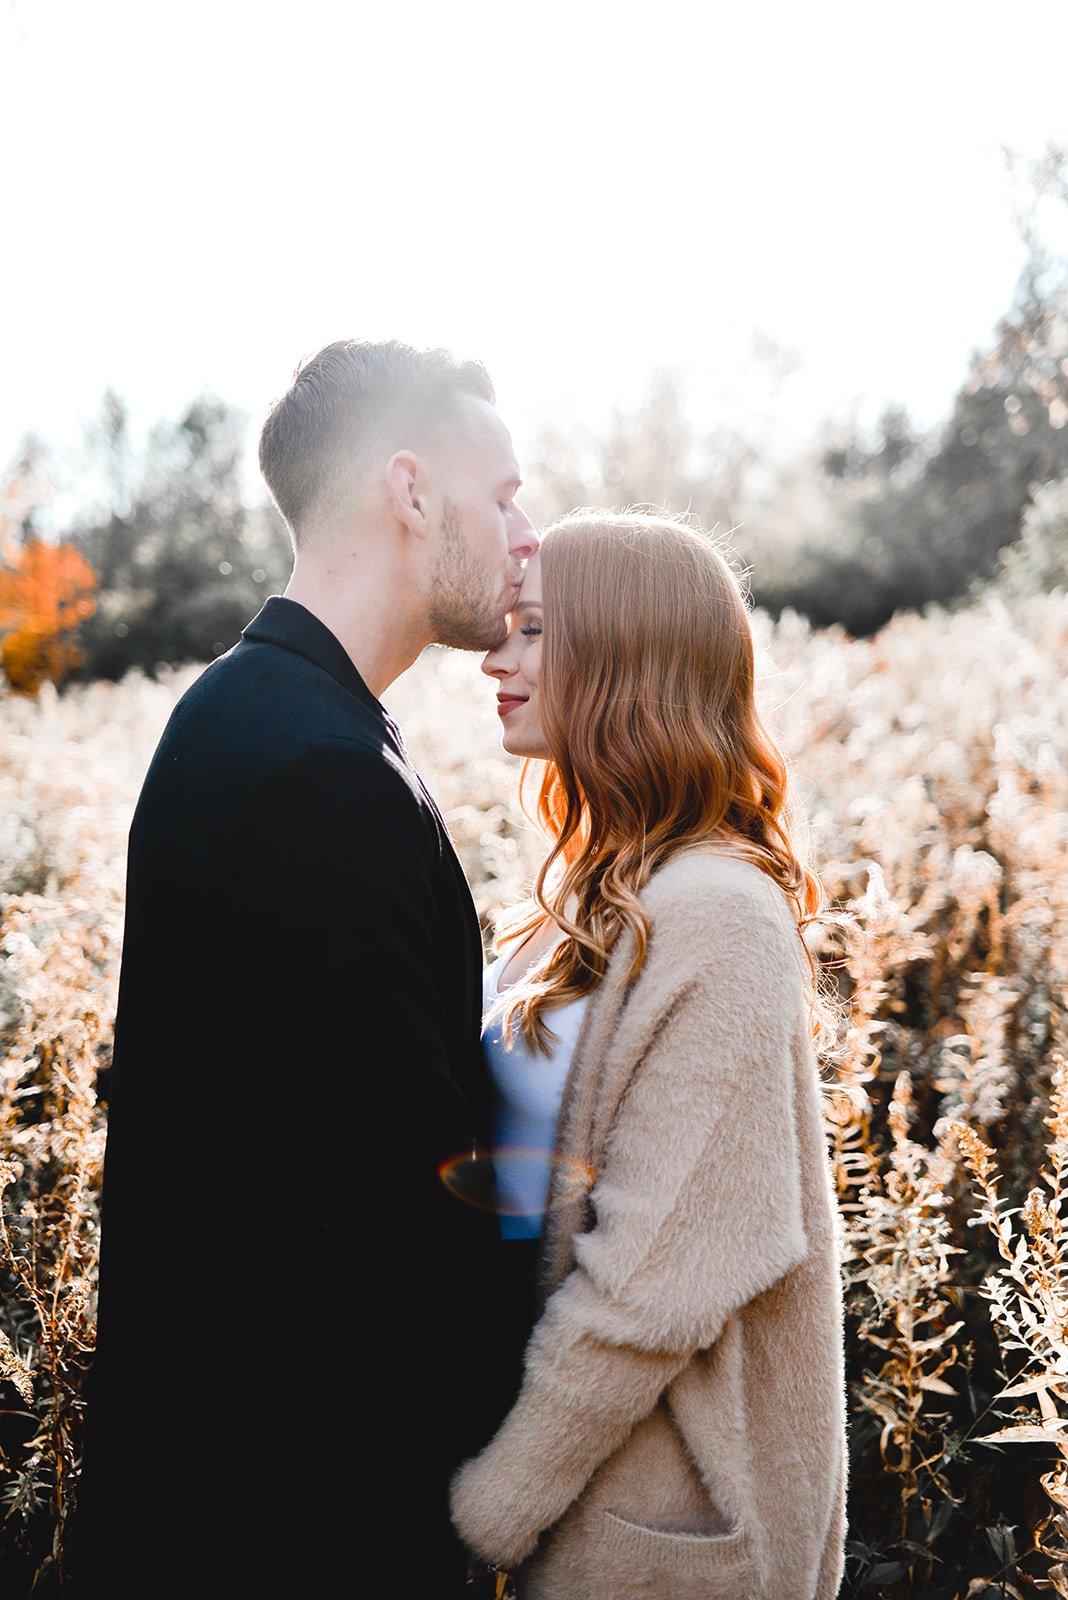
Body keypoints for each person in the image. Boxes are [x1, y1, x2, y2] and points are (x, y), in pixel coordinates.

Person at [73, 340, 539, 1598]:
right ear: (409, 490)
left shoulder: (252, 711)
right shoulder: (318, 774)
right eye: (502, 495)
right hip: (288, 1526)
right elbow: (396, 1213)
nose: (525, 532)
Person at [452, 511, 847, 1600]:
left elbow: (656, 1282)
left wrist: (491, 1506)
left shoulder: (717, 912)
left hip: (658, 1515)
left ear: (626, 655)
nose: (494, 657)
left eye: (532, 630)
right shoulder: (591, 889)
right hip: (582, 1475)